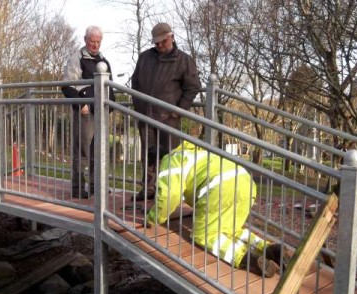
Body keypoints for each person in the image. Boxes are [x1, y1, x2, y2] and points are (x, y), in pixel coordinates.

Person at [145, 141, 287, 278]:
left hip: (221, 188)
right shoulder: (193, 153)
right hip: (245, 183)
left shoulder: (170, 162)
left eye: (153, 171)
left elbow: (170, 195)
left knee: (204, 235)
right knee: (229, 229)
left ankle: (246, 258)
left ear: (155, 163)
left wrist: (153, 217)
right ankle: (270, 249)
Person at [131, 22, 202, 201]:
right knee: (148, 155)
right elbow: (135, 83)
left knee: (170, 157)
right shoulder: (145, 57)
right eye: (157, 42)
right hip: (146, 116)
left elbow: (192, 88)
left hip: (169, 118)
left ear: (171, 37)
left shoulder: (184, 60)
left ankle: (168, 193)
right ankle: (148, 189)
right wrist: (139, 108)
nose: (160, 45)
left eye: (163, 41)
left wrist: (178, 111)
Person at [62, 26, 115, 199]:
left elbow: (110, 85)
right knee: (82, 151)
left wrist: (111, 105)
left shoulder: (103, 60)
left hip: (102, 111)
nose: (95, 44)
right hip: (85, 111)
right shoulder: (77, 58)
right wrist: (81, 104)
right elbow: (67, 86)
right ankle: (78, 187)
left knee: (99, 150)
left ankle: (96, 186)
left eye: (98, 42)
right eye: (92, 41)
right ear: (85, 40)